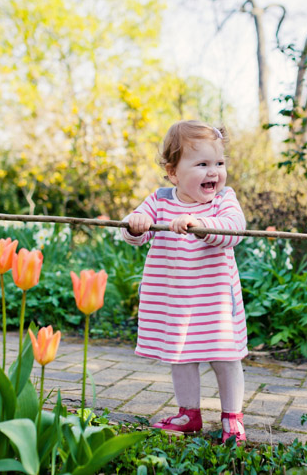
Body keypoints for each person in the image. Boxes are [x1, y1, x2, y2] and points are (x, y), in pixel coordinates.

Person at [121, 120, 248, 443]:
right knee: (181, 356)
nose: (213, 172)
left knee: (225, 358)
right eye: (202, 164)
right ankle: (188, 413)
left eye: (219, 163)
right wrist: (135, 225)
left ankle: (232, 416)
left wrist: (200, 223)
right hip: (175, 302)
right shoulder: (161, 200)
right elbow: (134, 231)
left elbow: (235, 228)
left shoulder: (223, 201)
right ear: (173, 172)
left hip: (215, 302)